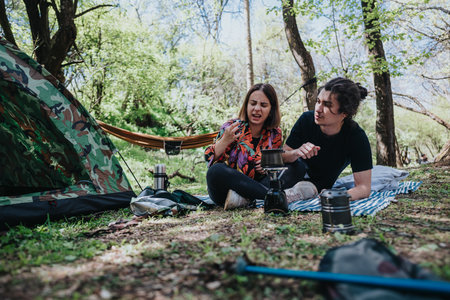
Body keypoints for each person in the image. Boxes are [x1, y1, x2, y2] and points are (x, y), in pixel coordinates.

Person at [205, 83, 317, 210]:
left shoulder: (274, 134)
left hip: (258, 185)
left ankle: (249, 198)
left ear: (271, 110)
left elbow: (275, 164)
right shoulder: (232, 127)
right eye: (253, 103)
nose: (257, 109)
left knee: (298, 166)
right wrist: (225, 140)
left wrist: (267, 167)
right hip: (226, 192)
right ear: (246, 106)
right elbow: (210, 159)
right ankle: (278, 197)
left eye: (263, 105)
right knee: (215, 171)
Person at [282, 77, 373, 201]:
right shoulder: (306, 120)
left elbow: (363, 187)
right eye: (318, 101)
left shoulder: (356, 137)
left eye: (327, 105)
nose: (318, 109)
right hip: (288, 176)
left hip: (315, 187)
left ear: (344, 113)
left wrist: (337, 196)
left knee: (305, 188)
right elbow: (282, 156)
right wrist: (296, 152)